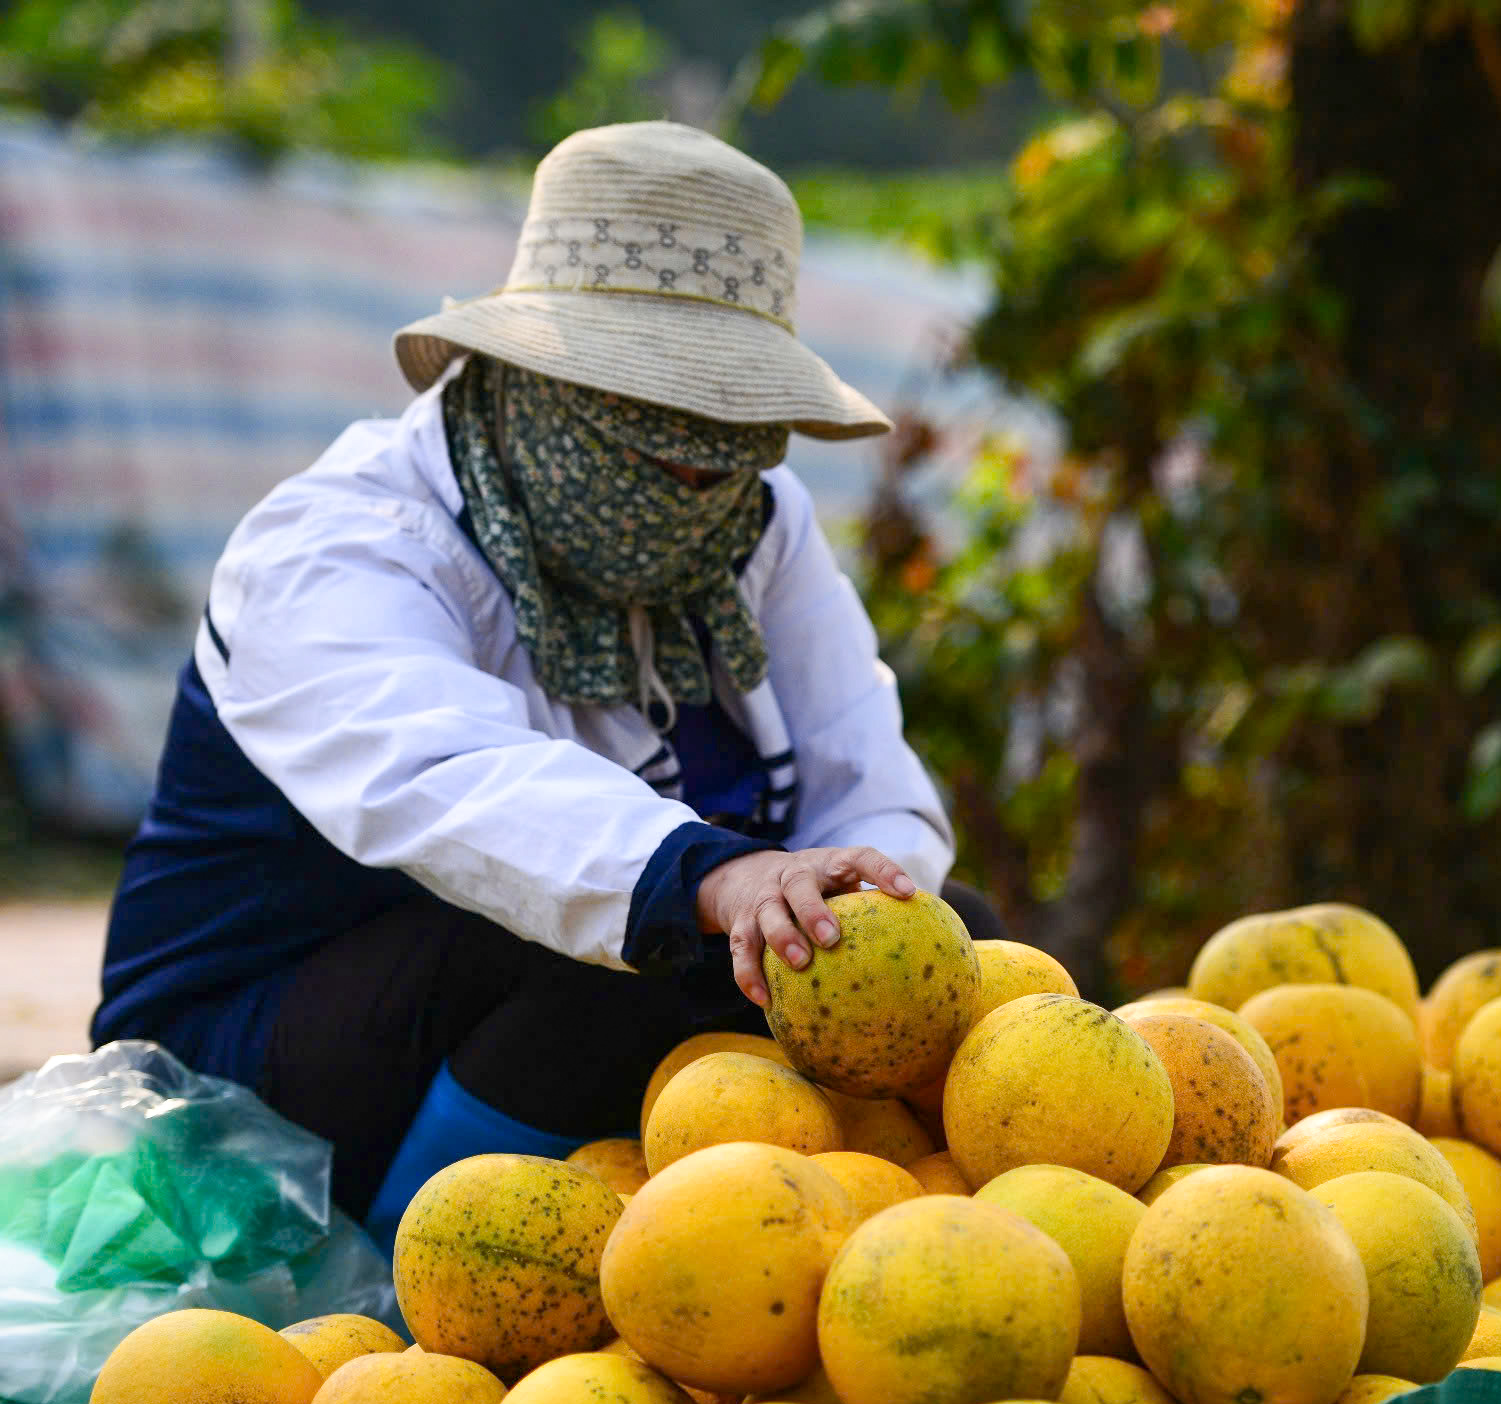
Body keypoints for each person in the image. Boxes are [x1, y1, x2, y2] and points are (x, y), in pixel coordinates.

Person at [89, 121, 993, 1242]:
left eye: (728, 439)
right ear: (537, 382)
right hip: (251, 1080)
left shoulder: (751, 528)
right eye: (653, 430)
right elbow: (455, 781)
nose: (696, 474)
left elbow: (863, 770)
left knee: (955, 930)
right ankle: (435, 1282)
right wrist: (718, 878)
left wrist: (861, 914)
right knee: (608, 963)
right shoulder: (339, 543)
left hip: (587, 1012)